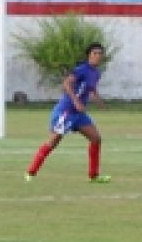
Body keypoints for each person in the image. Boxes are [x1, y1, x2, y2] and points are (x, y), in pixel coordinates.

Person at [25, 43, 110, 184]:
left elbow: (91, 88)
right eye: (94, 53)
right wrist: (76, 101)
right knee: (53, 142)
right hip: (67, 111)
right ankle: (31, 172)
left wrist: (99, 100)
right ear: (89, 55)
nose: (97, 56)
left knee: (96, 138)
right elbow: (66, 84)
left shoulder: (96, 73)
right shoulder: (81, 69)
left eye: (100, 53)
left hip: (79, 115)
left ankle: (93, 176)